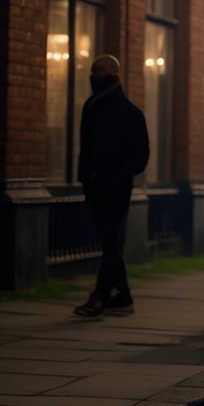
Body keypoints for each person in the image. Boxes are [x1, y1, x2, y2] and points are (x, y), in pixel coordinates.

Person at [73, 55, 149, 318]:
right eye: (92, 70)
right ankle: (123, 296)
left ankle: (100, 296)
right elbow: (86, 150)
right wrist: (87, 178)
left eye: (98, 71)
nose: (92, 75)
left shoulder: (130, 114)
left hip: (115, 188)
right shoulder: (92, 107)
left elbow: (141, 157)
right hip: (96, 187)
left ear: (113, 74)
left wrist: (114, 176)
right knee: (110, 241)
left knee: (110, 240)